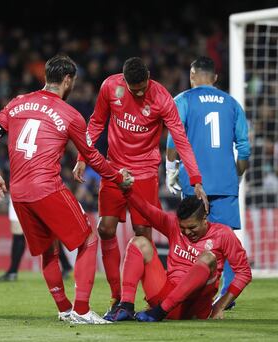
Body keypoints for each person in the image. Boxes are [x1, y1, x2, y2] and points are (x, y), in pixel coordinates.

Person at [0, 55, 133, 324]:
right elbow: (93, 156)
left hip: (19, 192)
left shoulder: (17, 103)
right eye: (73, 80)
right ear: (67, 80)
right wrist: (117, 177)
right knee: (88, 239)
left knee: (48, 250)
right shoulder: (70, 115)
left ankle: (64, 308)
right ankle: (83, 310)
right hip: (47, 187)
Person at [73, 57, 208, 317]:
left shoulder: (162, 98)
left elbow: (180, 139)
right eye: (134, 89)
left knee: (142, 233)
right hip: (114, 169)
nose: (138, 93)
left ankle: (149, 298)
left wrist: (196, 179)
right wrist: (82, 158)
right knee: (105, 228)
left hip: (145, 171)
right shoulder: (110, 87)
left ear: (149, 76)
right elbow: (96, 123)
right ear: (124, 80)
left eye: (142, 87)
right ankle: (116, 297)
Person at [165, 56, 251, 307]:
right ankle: (228, 295)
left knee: (192, 238)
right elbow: (244, 149)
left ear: (192, 76)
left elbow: (174, 138)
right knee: (228, 242)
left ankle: (194, 290)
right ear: (215, 78)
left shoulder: (182, 100)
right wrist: (237, 175)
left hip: (194, 182)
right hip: (225, 182)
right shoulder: (233, 104)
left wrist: (171, 168)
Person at [106, 182, 252, 321]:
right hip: (165, 296)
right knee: (139, 242)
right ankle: (126, 306)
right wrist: (127, 190)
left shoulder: (223, 234)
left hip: (193, 307)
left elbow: (244, 272)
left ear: (204, 218)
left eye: (192, 227)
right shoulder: (173, 225)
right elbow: (146, 209)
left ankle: (160, 311)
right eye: (183, 228)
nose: (187, 232)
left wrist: (220, 305)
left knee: (208, 258)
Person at [0, 198, 72, 282]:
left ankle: (66, 266)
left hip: (36, 191)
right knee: (18, 231)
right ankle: (12, 271)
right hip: (17, 192)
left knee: (46, 229)